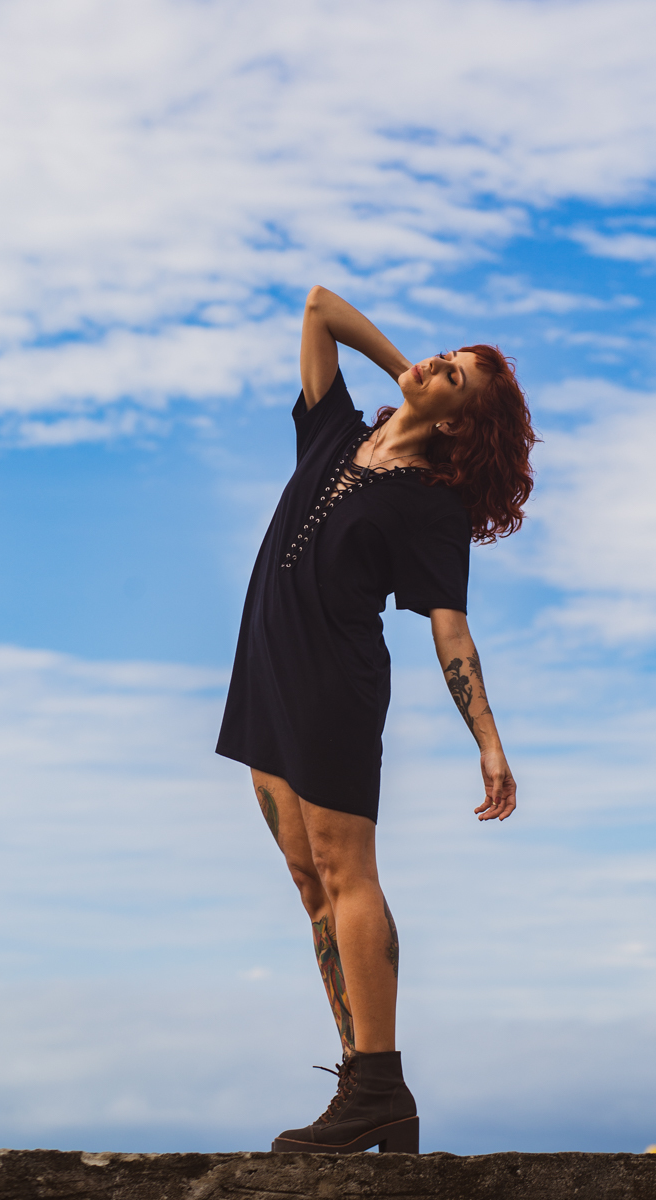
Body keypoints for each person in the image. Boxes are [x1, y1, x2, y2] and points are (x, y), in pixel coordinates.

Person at [216, 286, 537, 1154]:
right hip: (266, 674)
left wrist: (490, 743)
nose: (434, 363)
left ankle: (382, 1082)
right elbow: (320, 307)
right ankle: (363, 1086)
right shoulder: (336, 431)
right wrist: (409, 371)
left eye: (453, 376)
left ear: (458, 424)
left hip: (335, 685)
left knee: (345, 870)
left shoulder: (431, 504)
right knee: (308, 882)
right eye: (446, 356)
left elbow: (450, 629)